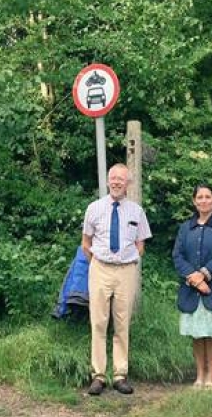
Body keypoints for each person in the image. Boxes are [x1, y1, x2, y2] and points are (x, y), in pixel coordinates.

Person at [81, 163, 152, 396]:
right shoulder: (94, 208)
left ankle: (120, 374)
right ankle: (98, 376)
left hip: (126, 271)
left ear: (128, 183)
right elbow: (86, 243)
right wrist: (99, 262)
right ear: (108, 180)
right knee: (98, 322)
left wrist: (126, 262)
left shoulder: (136, 211)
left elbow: (141, 244)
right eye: (113, 178)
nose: (117, 182)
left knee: (122, 323)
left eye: (122, 179)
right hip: (100, 268)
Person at [173, 184, 212, 389]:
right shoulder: (185, 228)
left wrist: (204, 274)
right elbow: (178, 255)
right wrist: (195, 278)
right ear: (194, 201)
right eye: (199, 197)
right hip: (192, 290)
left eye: (208, 196)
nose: (203, 200)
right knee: (197, 333)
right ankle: (199, 374)